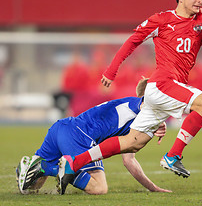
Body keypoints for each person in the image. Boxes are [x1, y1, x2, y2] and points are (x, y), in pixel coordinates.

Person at [58, 0, 202, 187]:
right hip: (162, 84)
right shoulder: (162, 20)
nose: (200, 0)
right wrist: (112, 71)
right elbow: (133, 41)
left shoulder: (201, 25)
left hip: (166, 90)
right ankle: (172, 156)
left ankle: (73, 163)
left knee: (132, 143)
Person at [16, 78, 171, 195]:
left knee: (33, 187)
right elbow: (146, 105)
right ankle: (47, 167)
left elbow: (129, 161)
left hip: (62, 127)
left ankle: (36, 165)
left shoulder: (134, 124)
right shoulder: (139, 105)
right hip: (79, 136)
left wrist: (153, 188)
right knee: (99, 188)